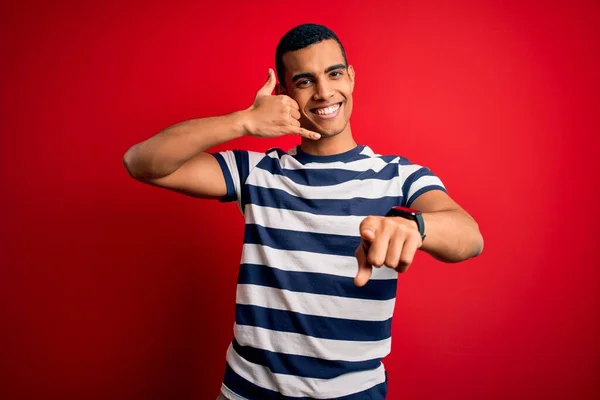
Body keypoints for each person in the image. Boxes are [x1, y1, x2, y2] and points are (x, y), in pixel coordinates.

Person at [123, 23, 483, 400]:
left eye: (334, 73)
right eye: (306, 81)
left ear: (351, 77)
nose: (325, 92)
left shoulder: (397, 177)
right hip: (248, 391)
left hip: (354, 393)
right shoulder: (258, 172)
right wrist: (243, 121)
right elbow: (141, 162)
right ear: (284, 94)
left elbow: (469, 236)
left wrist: (415, 226)